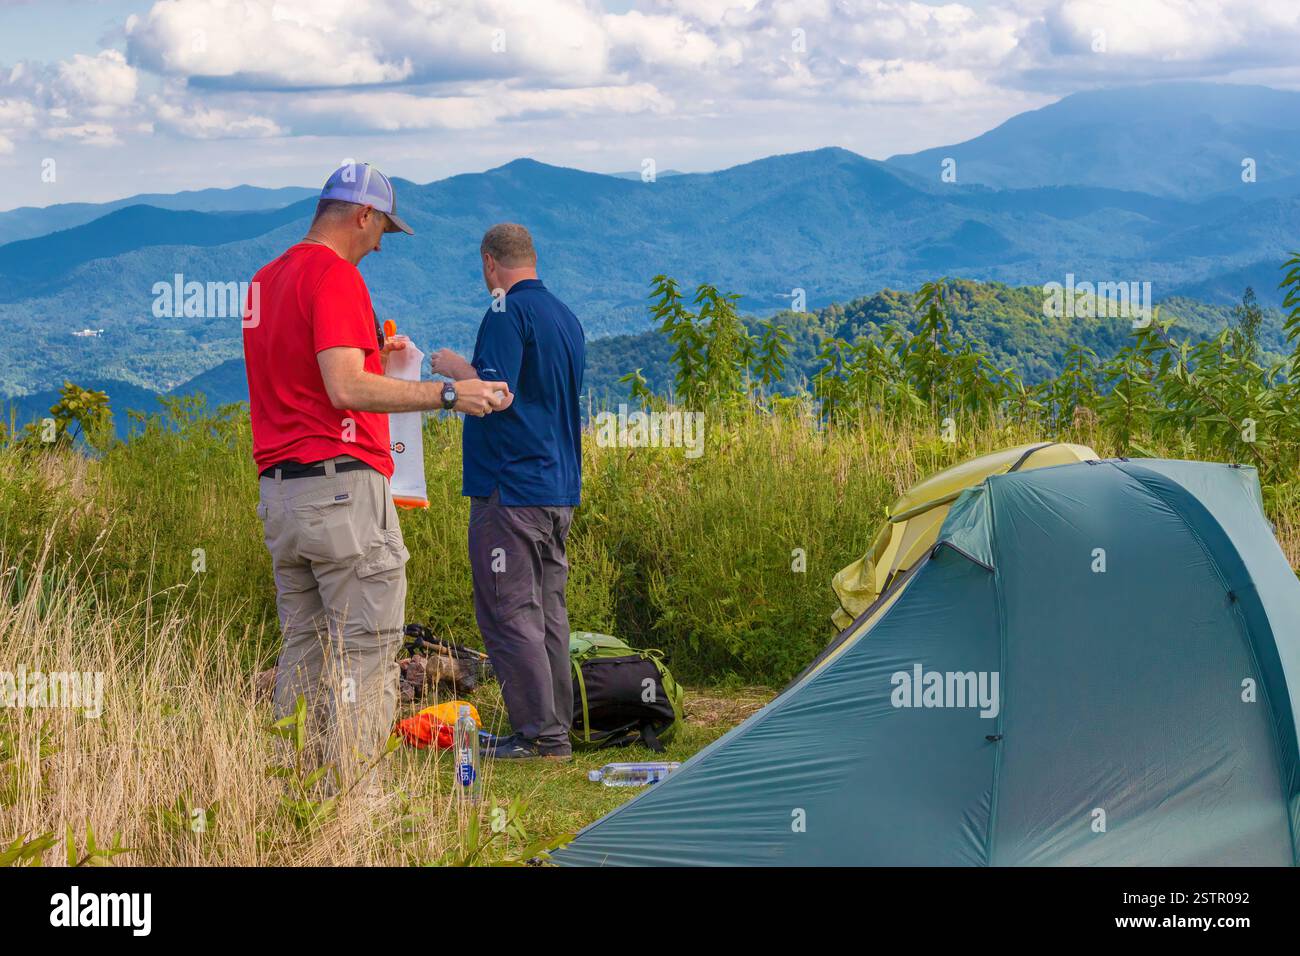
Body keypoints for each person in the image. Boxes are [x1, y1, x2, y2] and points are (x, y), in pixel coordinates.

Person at [244, 163, 511, 793]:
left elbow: (304, 378)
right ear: (361, 215)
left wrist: (374, 358)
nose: (383, 242)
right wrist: (450, 394)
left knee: (304, 654)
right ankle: (357, 813)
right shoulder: (335, 276)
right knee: (366, 657)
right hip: (342, 492)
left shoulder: (266, 280)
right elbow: (343, 388)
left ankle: (296, 806)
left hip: (282, 494)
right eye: (383, 227)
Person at [430, 223, 586, 759]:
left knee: (507, 609)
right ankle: (555, 728)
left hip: (511, 487)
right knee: (547, 612)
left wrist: (454, 373)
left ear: (489, 262)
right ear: (532, 259)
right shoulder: (565, 317)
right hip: (558, 487)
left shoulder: (503, 311)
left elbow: (494, 394)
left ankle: (538, 737)